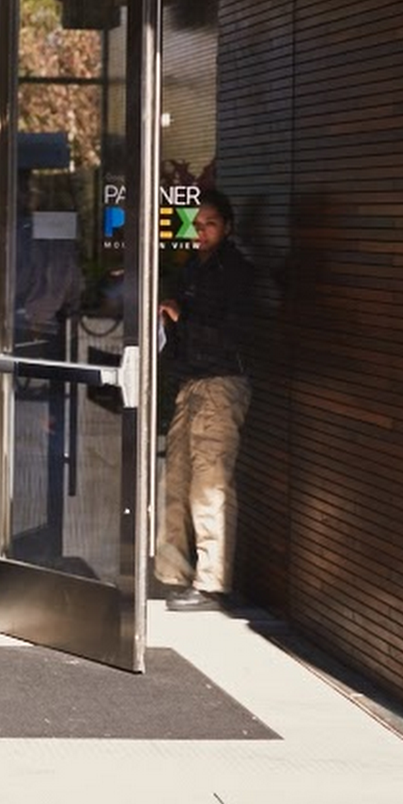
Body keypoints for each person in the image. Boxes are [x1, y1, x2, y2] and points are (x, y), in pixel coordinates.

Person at [154, 189, 256, 613]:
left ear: (227, 226)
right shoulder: (193, 269)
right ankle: (173, 574)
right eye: (197, 225)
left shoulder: (236, 272)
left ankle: (212, 583)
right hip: (191, 382)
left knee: (210, 483)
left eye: (210, 224)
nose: (201, 232)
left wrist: (183, 317)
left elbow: (234, 333)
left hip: (221, 382)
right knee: (175, 480)